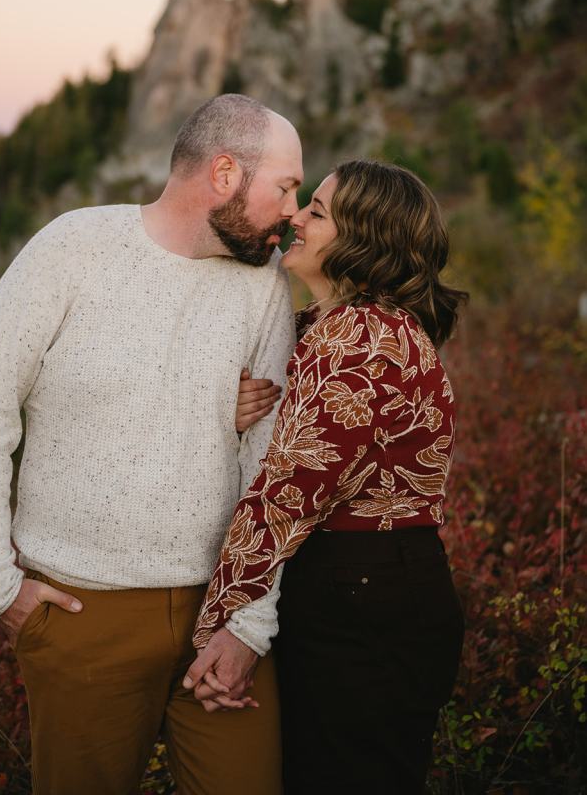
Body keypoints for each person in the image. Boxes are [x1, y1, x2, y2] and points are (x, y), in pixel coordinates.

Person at [0, 93, 304, 795]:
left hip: (221, 619)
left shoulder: (261, 283)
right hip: (83, 620)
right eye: (286, 186)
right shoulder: (72, 248)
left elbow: (269, 461)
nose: (295, 208)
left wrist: (251, 621)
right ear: (224, 173)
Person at [186, 159, 468, 794]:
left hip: (364, 596)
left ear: (362, 240)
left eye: (317, 211)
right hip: (359, 584)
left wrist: (222, 628)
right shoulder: (329, 329)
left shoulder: (360, 339)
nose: (296, 217)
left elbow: (287, 495)